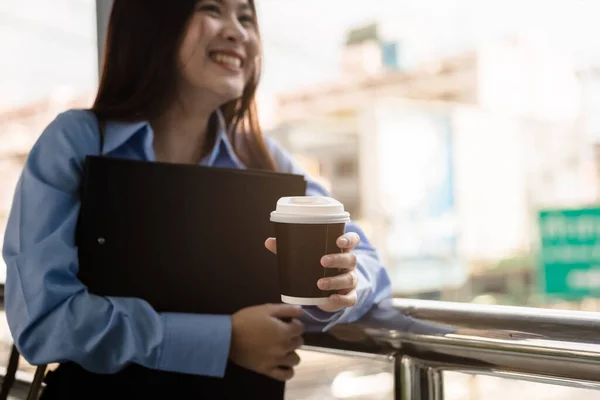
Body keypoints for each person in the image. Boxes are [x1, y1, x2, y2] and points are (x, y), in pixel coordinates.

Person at [2, 0, 392, 396]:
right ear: (153, 21)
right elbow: (44, 322)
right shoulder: (77, 142)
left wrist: (334, 289)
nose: (237, 31)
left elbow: (371, 268)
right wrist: (224, 341)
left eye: (245, 17)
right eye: (212, 9)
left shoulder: (263, 158)